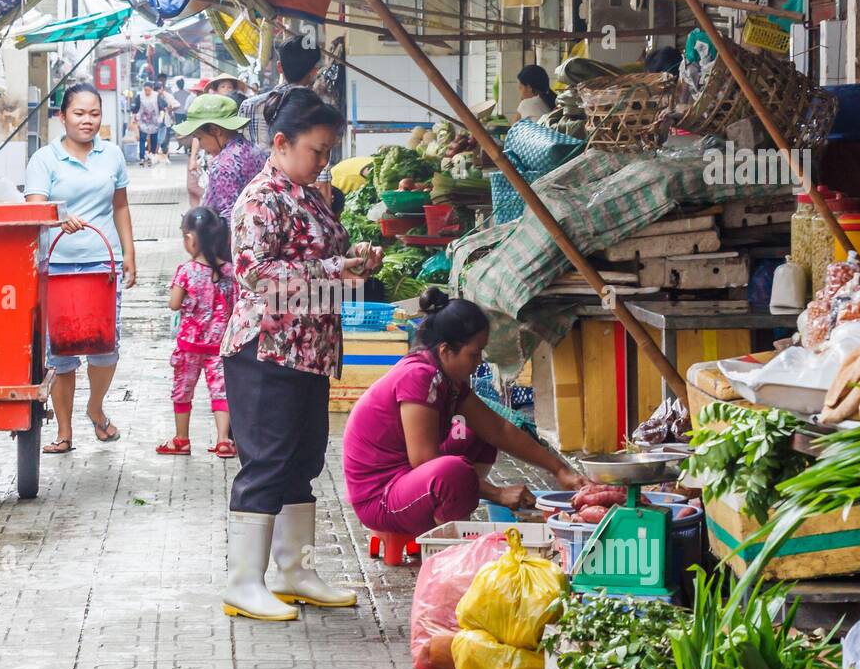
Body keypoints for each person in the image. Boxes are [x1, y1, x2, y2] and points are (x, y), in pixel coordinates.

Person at [220, 87, 383, 622]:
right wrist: (337, 271)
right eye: (317, 150)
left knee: (303, 461)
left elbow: (323, 258)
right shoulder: (260, 199)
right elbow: (257, 276)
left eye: (328, 151)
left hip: (309, 349)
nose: (323, 161)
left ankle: (296, 570)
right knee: (267, 462)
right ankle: (244, 581)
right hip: (266, 349)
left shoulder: (307, 192)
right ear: (282, 142)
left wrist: (356, 259)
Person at [342, 290, 585, 537]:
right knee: (453, 472)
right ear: (446, 350)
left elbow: (498, 430)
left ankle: (455, 513)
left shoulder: (448, 378)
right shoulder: (419, 376)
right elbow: (425, 461)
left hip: (406, 481)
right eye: (474, 353)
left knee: (477, 437)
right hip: (379, 498)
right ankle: (447, 535)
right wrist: (497, 493)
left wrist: (560, 470)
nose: (479, 362)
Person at [24, 83, 136, 451]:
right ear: (62, 117)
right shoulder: (44, 159)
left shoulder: (112, 155)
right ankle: (64, 432)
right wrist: (60, 217)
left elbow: (120, 207)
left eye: (94, 114)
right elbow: (36, 210)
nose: (87, 121)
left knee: (106, 348)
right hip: (56, 268)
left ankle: (95, 407)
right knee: (62, 352)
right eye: (79, 113)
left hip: (103, 264)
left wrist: (129, 255)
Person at [159, 207, 237, 458]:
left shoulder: (186, 270)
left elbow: (173, 303)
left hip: (189, 345)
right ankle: (224, 440)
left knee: (183, 391)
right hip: (219, 345)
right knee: (221, 392)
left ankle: (182, 440)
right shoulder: (230, 271)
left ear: (191, 239)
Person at [172, 93, 263, 222]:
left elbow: (227, 220)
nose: (201, 146)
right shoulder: (253, 150)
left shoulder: (223, 167)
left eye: (199, 138)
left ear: (215, 130)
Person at [239, 36, 322, 153]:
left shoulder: (248, 106)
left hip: (258, 171)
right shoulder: (316, 108)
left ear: (279, 67)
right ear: (314, 71)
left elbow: (241, 153)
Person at [136, 83, 162, 167]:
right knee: (142, 139)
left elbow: (162, 108)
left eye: (148, 90)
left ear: (152, 89)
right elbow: (136, 108)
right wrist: (134, 117)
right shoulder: (140, 96)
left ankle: (152, 155)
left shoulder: (156, 96)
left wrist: (161, 117)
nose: (147, 92)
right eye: (145, 90)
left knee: (154, 139)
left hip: (154, 120)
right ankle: (142, 157)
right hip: (143, 120)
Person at [156, 83, 178, 156]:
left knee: (165, 139)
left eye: (159, 89)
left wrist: (170, 110)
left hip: (166, 121)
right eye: (156, 89)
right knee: (157, 138)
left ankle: (165, 153)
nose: (158, 91)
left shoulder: (168, 96)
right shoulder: (154, 96)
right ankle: (156, 153)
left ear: (162, 88)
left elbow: (177, 105)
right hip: (156, 122)